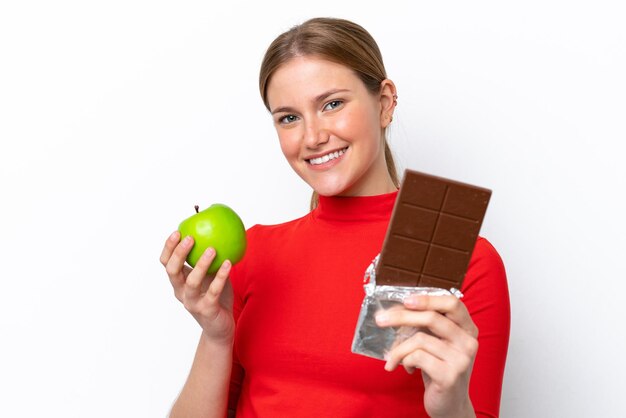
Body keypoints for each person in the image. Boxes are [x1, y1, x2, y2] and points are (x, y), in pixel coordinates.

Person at [160, 17, 510, 418]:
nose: (312, 137)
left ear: (385, 102)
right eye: (289, 117)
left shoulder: (466, 261)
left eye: (332, 104)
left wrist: (450, 406)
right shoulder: (254, 252)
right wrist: (216, 336)